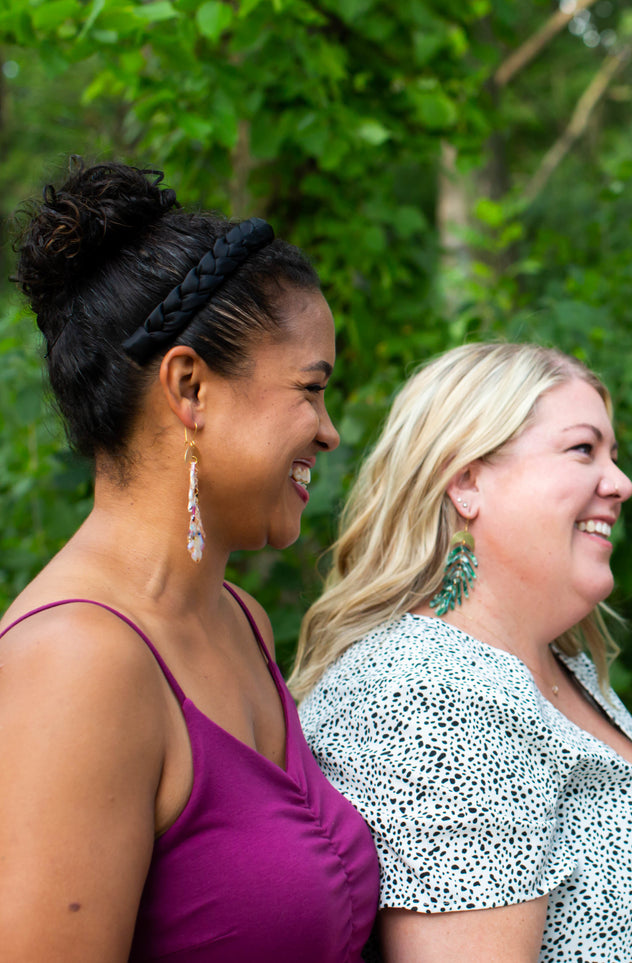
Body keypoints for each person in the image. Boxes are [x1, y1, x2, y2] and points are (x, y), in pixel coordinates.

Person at [0, 159, 379, 960]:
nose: (328, 430)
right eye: (310, 389)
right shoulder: (76, 664)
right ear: (190, 388)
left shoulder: (237, 618)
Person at [290, 342, 632, 963]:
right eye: (583, 450)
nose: (620, 484)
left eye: (614, 456)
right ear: (468, 481)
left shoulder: (558, 669)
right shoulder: (430, 700)